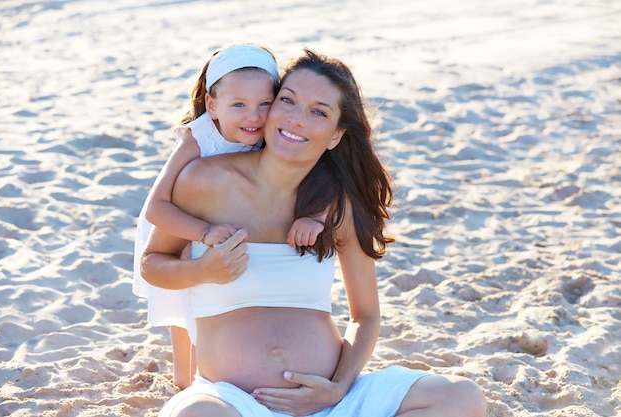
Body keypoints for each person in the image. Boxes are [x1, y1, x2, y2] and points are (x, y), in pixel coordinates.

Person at [141, 49, 487, 417]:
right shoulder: (206, 180)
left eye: (318, 112)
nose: (296, 118)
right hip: (235, 403)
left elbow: (365, 315)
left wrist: (337, 389)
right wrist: (201, 271)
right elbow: (152, 263)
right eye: (287, 100)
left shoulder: (335, 203)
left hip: (335, 401)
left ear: (337, 135)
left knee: (462, 397)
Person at [132, 44, 325, 390]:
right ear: (212, 104)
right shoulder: (197, 139)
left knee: (207, 300)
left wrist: (317, 215)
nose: (253, 117)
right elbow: (155, 208)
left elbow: (321, 174)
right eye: (238, 105)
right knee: (182, 298)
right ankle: (182, 379)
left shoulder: (272, 135)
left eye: (264, 104)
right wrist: (202, 232)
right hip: (179, 219)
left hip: (219, 216)